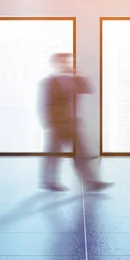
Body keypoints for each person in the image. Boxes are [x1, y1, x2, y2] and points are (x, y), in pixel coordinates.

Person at [38, 53, 113, 191]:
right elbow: (46, 104)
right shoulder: (50, 82)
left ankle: (91, 182)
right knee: (54, 154)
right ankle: (48, 181)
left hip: (72, 122)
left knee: (80, 154)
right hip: (58, 124)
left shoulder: (74, 79)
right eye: (63, 61)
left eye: (68, 61)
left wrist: (76, 74)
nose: (66, 64)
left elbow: (89, 89)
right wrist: (50, 123)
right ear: (56, 64)